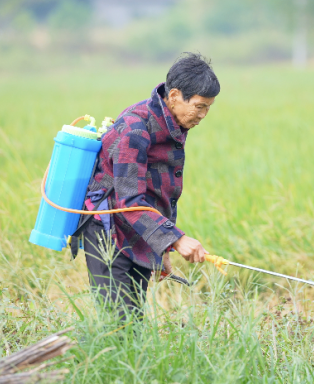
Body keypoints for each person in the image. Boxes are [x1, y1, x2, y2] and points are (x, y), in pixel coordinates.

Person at [78, 52, 220, 318]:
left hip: (136, 231)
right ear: (175, 95)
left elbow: (154, 192)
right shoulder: (135, 128)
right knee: (119, 325)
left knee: (131, 321)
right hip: (108, 232)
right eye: (200, 106)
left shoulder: (171, 123)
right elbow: (128, 201)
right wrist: (176, 239)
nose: (203, 114)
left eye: (209, 107)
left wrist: (159, 245)